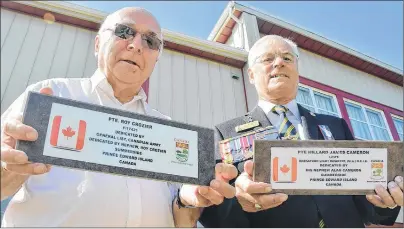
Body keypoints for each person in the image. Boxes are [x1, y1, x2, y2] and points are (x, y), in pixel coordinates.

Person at [0, 7, 237, 227]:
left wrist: (189, 202)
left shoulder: (168, 133)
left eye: (150, 41)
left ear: (156, 58)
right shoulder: (49, 96)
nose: (136, 45)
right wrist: (7, 166)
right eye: (124, 32)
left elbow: (181, 221)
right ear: (97, 44)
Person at [198, 35, 403, 228]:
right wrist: (238, 200)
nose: (279, 62)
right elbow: (211, 212)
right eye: (267, 59)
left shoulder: (336, 126)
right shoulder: (225, 132)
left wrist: (387, 200)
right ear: (251, 74)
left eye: (287, 57)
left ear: (297, 69)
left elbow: (366, 205)